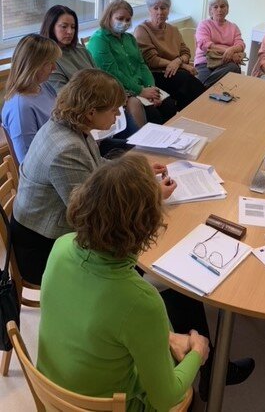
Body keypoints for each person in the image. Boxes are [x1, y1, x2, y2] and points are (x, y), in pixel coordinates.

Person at [37, 154, 210, 411]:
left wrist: (164, 337)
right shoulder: (140, 299)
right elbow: (166, 398)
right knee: (185, 389)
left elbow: (101, 321)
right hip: (107, 406)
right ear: (147, 227)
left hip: (52, 391)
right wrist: (198, 351)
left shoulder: (61, 247)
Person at [11, 69, 176, 286]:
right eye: (114, 110)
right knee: (135, 240)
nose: (118, 115)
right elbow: (90, 215)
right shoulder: (66, 149)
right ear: (91, 112)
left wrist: (138, 172)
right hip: (42, 249)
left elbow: (96, 165)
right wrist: (152, 195)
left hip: (47, 230)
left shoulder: (70, 125)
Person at [39, 4, 139, 153]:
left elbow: (100, 79)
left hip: (103, 109)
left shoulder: (80, 49)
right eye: (64, 27)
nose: (70, 31)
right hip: (83, 117)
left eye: (73, 27)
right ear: (51, 26)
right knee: (130, 148)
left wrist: (115, 99)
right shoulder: (50, 60)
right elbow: (66, 97)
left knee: (136, 139)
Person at [87, 0, 177, 126]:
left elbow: (142, 65)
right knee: (153, 115)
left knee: (169, 106)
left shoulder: (129, 38)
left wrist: (151, 88)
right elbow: (112, 73)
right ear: (109, 17)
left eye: (128, 20)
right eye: (120, 18)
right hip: (119, 91)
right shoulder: (99, 40)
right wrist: (140, 91)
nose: (124, 23)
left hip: (141, 88)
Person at [134, 0, 205, 110]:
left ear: (168, 10)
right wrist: (182, 64)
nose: (160, 12)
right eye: (155, 8)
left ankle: (193, 113)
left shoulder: (173, 30)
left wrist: (178, 62)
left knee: (191, 85)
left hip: (177, 72)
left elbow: (186, 52)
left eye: (163, 8)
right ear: (149, 10)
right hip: (156, 74)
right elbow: (152, 60)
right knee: (188, 82)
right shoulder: (142, 30)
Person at [1, 34, 60, 163]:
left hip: (60, 151)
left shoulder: (43, 86)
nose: (54, 68)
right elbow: (28, 162)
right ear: (34, 66)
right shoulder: (21, 108)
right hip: (49, 166)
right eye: (49, 63)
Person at [194, 0, 246, 87]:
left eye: (222, 6)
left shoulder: (233, 27)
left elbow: (241, 44)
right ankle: (205, 88)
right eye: (215, 7)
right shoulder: (204, 24)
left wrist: (232, 50)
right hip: (205, 61)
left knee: (234, 68)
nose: (219, 10)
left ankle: (204, 88)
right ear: (210, 10)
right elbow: (205, 45)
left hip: (226, 62)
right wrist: (229, 52)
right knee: (230, 74)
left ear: (227, 9)